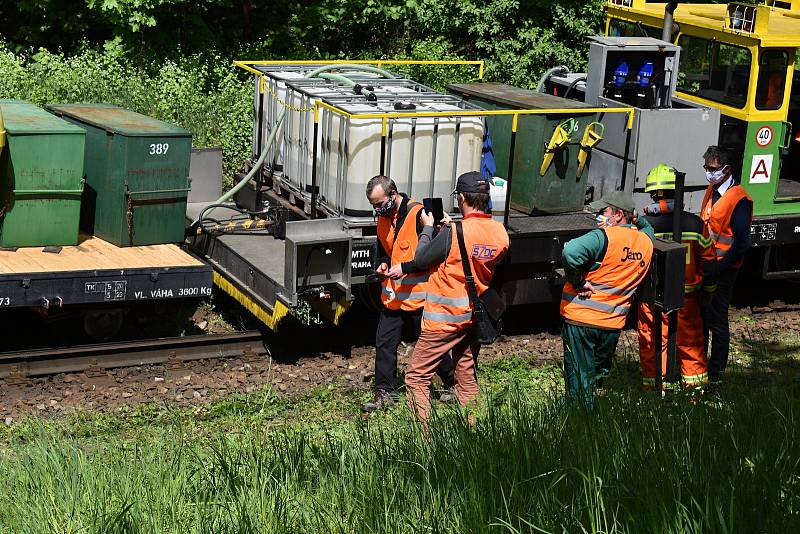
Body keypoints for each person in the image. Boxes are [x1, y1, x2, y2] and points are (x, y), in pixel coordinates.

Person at [405, 171, 509, 424]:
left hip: (444, 319)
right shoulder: (500, 232)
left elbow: (420, 259)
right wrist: (451, 230)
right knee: (466, 374)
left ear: (462, 198)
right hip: (473, 317)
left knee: (416, 378)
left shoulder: (454, 232)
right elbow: (474, 257)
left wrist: (429, 230)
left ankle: (423, 441)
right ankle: (471, 431)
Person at [362, 175, 455, 412]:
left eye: (379, 203)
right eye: (373, 205)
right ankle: (385, 392)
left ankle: (453, 384)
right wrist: (383, 264)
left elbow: (431, 256)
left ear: (393, 195)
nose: (377, 209)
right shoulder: (384, 217)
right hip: (394, 297)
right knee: (384, 343)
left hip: (420, 297)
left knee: (431, 346)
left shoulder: (419, 216)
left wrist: (403, 268)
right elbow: (387, 250)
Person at [560, 190, 654, 402]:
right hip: (612, 325)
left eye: (604, 212)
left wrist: (579, 281)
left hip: (582, 320)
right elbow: (648, 228)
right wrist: (637, 218)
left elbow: (570, 253)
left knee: (579, 382)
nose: (600, 216)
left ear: (618, 214)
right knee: (595, 379)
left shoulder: (602, 236)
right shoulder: (646, 242)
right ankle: (590, 416)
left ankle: (580, 422)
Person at [637, 164, 717, 390]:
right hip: (687, 300)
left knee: (652, 343)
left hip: (651, 299)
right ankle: (694, 395)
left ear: (653, 194)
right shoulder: (695, 225)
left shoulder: (644, 228)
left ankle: (656, 393)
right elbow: (710, 266)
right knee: (691, 345)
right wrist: (707, 294)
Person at [699, 146, 752, 383]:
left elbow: (741, 243)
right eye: (706, 168)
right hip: (707, 265)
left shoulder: (739, 199)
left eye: (712, 169)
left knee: (716, 319)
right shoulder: (712, 190)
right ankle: (699, 364)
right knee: (702, 315)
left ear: (726, 169)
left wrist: (719, 268)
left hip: (723, 269)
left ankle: (716, 371)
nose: (708, 173)